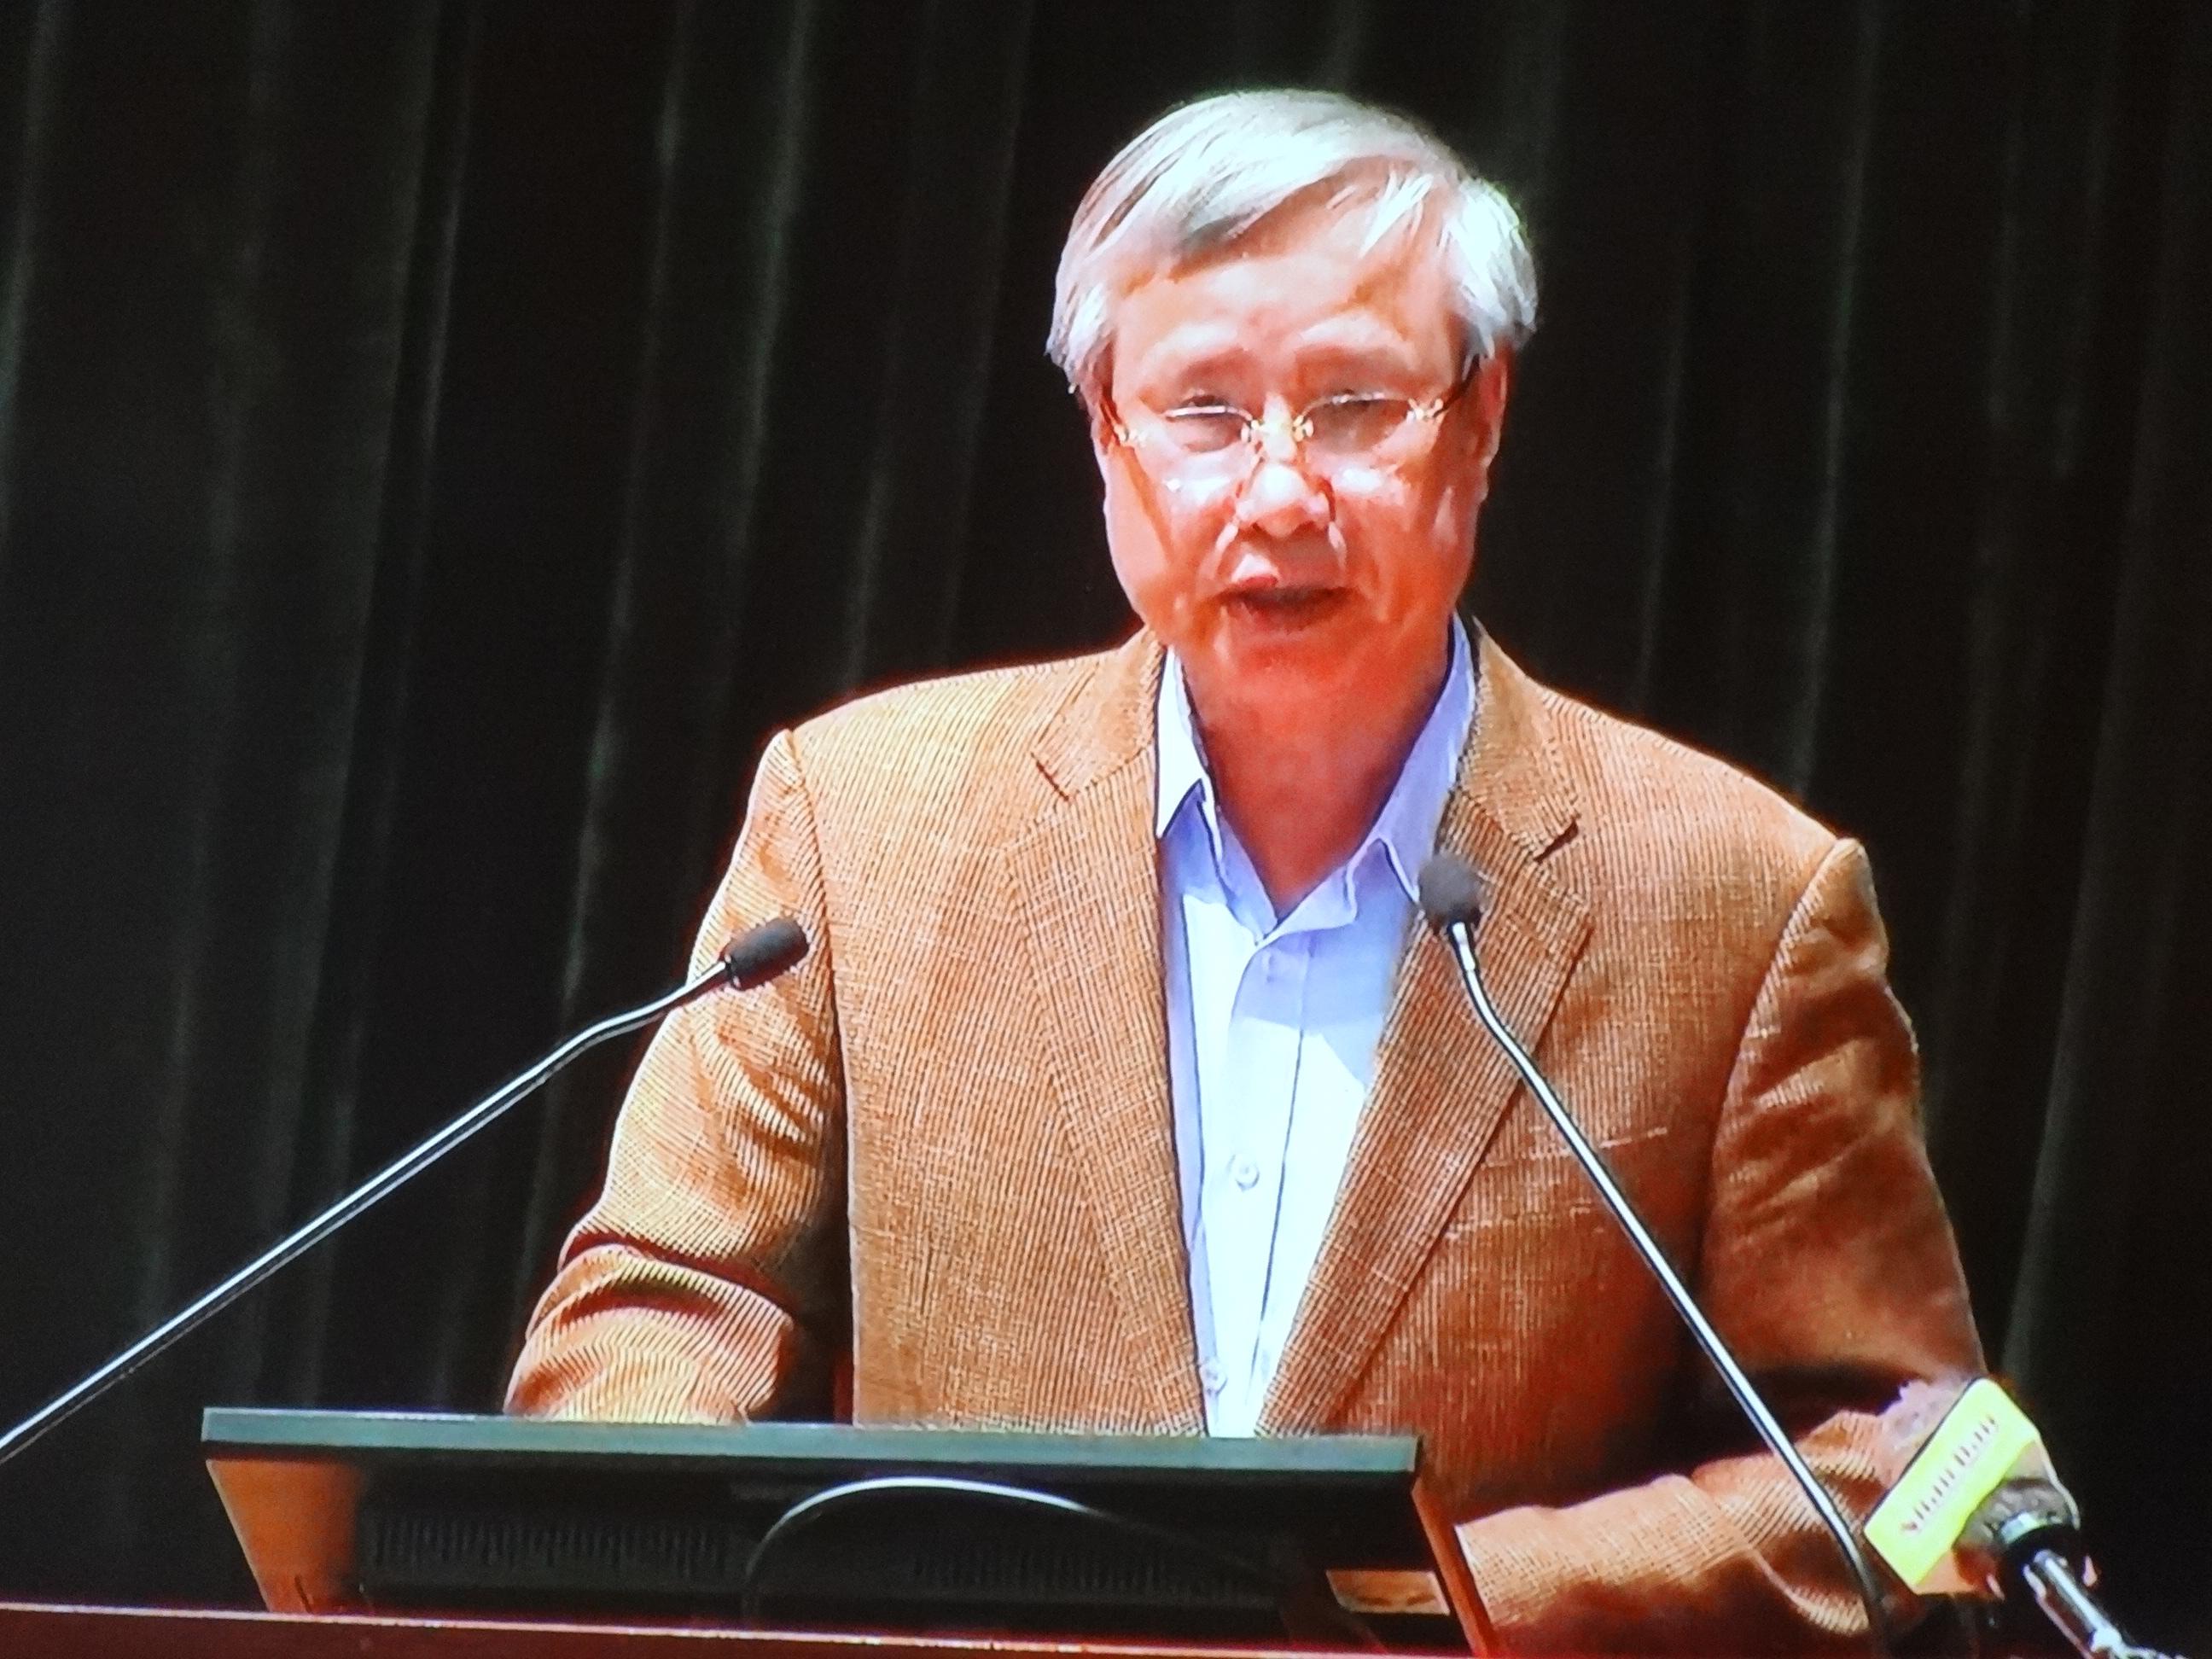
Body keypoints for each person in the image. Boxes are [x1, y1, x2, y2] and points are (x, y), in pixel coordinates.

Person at [508, 90, 1982, 1650]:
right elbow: (656, 1318)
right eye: (1205, 412)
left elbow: (1915, 1467)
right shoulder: (864, 825)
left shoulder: (1738, 898)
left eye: (1354, 407)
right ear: (1107, 432)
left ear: (1480, 418)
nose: (1281, 494)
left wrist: (1418, 1608)